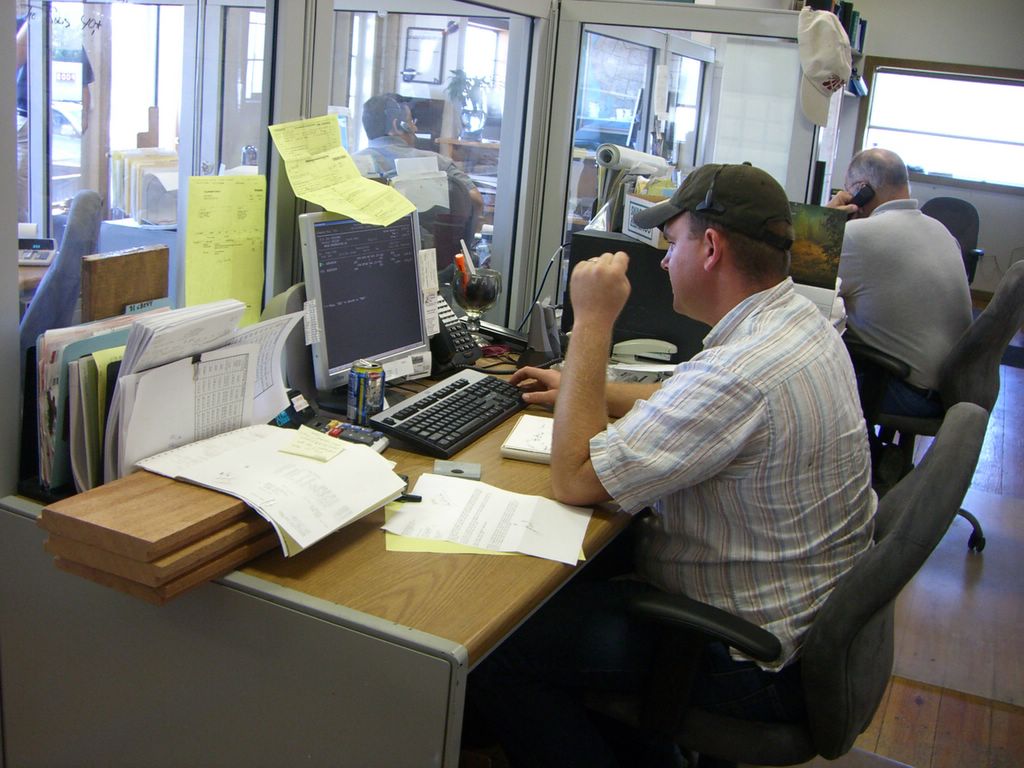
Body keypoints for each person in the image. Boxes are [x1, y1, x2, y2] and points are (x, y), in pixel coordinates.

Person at [465, 163, 876, 768]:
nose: (662, 260)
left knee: (497, 647)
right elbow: (682, 397)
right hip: (794, 624)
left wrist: (592, 322)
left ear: (710, 248)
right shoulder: (795, 324)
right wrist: (579, 388)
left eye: (672, 242)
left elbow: (575, 478)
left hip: (741, 658)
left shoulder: (742, 372)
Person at [827, 148, 973, 418]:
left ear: (861, 190)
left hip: (904, 391)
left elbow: (800, 283)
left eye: (848, 191)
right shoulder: (940, 229)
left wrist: (827, 221)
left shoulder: (859, 235)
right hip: (953, 389)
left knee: (807, 374)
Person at [354, 93, 483, 256]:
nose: (415, 128)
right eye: (411, 122)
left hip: (369, 257)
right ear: (397, 126)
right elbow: (476, 200)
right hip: (436, 262)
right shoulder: (438, 163)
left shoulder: (349, 166)